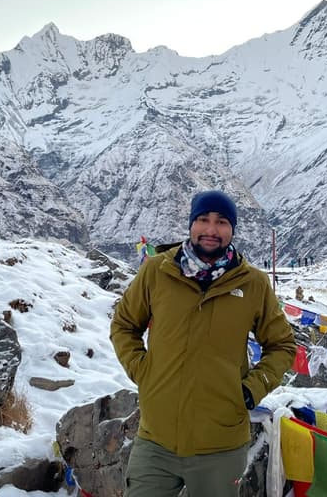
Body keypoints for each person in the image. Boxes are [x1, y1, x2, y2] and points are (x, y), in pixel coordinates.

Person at [110, 189, 297, 497]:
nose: (211, 229)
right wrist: (143, 370)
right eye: (203, 219)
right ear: (191, 224)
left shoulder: (252, 283)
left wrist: (250, 390)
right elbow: (124, 325)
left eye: (222, 221)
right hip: (156, 439)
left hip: (221, 445)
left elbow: (282, 345)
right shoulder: (157, 271)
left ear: (232, 229)